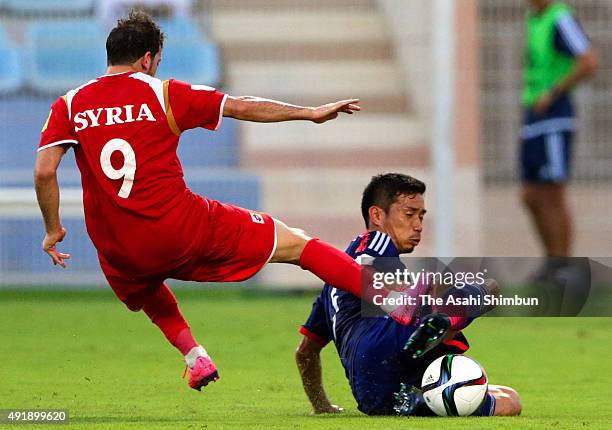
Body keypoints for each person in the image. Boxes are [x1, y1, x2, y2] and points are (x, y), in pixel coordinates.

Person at [33, 10, 387, 392]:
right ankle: (399, 306)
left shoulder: (69, 105)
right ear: (148, 59)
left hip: (118, 248)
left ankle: (195, 357)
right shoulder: (164, 93)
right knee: (297, 244)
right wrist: (309, 113)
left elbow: (44, 171)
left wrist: (53, 229)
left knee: (143, 283)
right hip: (180, 229)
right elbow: (241, 104)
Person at [295, 173, 522, 416]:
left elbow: (305, 352)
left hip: (372, 393)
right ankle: (445, 323)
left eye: (421, 216)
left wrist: (322, 407)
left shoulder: (333, 283)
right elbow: (390, 284)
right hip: (390, 347)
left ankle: (441, 332)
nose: (418, 225)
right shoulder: (377, 245)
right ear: (377, 216)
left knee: (507, 397)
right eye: (409, 214)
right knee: (488, 287)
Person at [521, 0, 598, 270]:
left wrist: (553, 92)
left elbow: (588, 61)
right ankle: (552, 262)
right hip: (533, 116)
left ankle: (562, 267)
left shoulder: (560, 17)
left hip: (554, 117)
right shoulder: (534, 17)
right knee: (530, 196)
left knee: (553, 193)